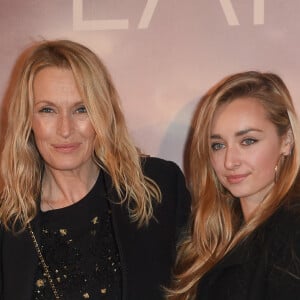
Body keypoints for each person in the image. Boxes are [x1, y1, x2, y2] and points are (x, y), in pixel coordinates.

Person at [0, 39, 190, 300]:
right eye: (47, 110)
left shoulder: (159, 187)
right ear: (27, 120)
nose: (65, 129)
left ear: (103, 113)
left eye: (81, 109)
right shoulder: (8, 226)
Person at [167, 71, 300, 300]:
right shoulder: (216, 229)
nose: (230, 161)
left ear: (286, 140)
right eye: (218, 145)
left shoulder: (292, 232)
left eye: (248, 141)